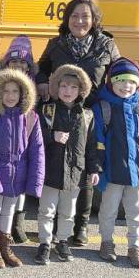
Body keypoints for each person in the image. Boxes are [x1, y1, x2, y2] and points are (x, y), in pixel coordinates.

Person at [35, 0, 139, 246]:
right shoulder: (56, 44)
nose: (80, 21)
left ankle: (80, 226)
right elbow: (42, 68)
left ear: (94, 20)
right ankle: (59, 227)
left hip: (92, 115)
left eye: (85, 16)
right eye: (75, 16)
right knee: (60, 168)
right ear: (67, 18)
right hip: (63, 112)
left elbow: (121, 74)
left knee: (86, 168)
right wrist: (41, 81)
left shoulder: (106, 45)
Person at [93, 58, 139, 268]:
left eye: (132, 82)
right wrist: (99, 171)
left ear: (138, 84)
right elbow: (98, 143)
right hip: (112, 174)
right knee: (108, 211)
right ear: (111, 82)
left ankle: (135, 247)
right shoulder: (103, 108)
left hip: (138, 174)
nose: (127, 86)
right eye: (121, 81)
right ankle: (106, 242)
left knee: (135, 213)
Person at [34, 65, 99, 265]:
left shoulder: (87, 115)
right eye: (63, 86)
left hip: (75, 173)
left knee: (68, 212)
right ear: (56, 88)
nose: (67, 91)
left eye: (73, 87)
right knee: (46, 210)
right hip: (51, 171)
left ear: (81, 91)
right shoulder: (47, 110)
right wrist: (52, 136)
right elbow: (34, 138)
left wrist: (94, 168)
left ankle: (62, 240)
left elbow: (91, 146)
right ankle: (44, 243)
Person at [0, 68, 44, 269]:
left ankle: (4, 244)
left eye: (15, 92)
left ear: (23, 94)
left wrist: (34, 181)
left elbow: (37, 151)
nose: (10, 96)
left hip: (19, 172)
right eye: (6, 91)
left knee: (9, 209)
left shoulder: (30, 118)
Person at [0, 36, 38, 243]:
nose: (19, 65)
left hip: (23, 143)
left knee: (18, 191)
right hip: (2, 151)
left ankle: (15, 225)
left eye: (23, 62)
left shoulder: (36, 88)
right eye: (14, 62)